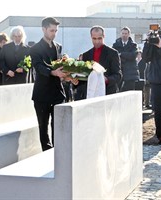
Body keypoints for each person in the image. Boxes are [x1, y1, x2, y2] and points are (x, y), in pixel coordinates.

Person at [29, 17, 77, 151]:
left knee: (58, 126)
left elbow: (60, 66)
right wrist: (53, 73)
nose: (54, 33)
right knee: (43, 127)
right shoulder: (35, 49)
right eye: (51, 30)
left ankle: (58, 153)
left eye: (56, 31)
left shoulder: (58, 46)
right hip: (42, 94)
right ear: (43, 29)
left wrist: (68, 74)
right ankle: (47, 154)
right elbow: (39, 67)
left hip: (57, 93)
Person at [74, 25, 121, 100]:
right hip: (90, 96)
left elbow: (118, 75)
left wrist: (106, 79)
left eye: (99, 38)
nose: (97, 41)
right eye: (94, 38)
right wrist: (76, 81)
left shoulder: (113, 53)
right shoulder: (86, 55)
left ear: (104, 36)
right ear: (91, 37)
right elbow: (83, 78)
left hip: (108, 94)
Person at [112, 26, 139, 92]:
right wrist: (126, 55)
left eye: (126, 33)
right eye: (123, 33)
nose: (124, 35)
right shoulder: (115, 45)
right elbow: (114, 56)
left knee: (130, 92)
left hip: (130, 72)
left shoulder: (133, 45)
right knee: (117, 91)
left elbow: (133, 55)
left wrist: (121, 54)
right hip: (119, 71)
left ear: (129, 34)